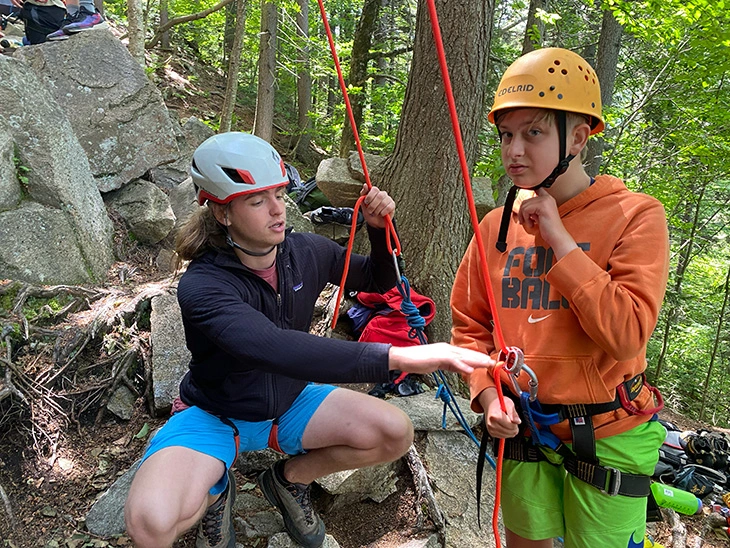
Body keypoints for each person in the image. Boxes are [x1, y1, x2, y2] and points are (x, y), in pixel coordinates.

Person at [124, 131, 494, 548]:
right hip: (216, 413)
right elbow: (272, 347)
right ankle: (215, 491)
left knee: (394, 432)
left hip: (289, 403)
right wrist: (402, 357)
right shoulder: (204, 285)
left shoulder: (306, 252)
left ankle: (287, 480)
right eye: (257, 200)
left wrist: (378, 230)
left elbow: (376, 279)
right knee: (149, 525)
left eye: (279, 195)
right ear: (222, 213)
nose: (278, 210)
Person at [451, 48, 670, 548]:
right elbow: (471, 326)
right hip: (524, 428)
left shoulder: (635, 215)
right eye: (507, 134)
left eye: (534, 133)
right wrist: (488, 395)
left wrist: (561, 243)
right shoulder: (496, 227)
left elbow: (627, 332)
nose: (514, 151)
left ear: (578, 136)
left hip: (609, 434)